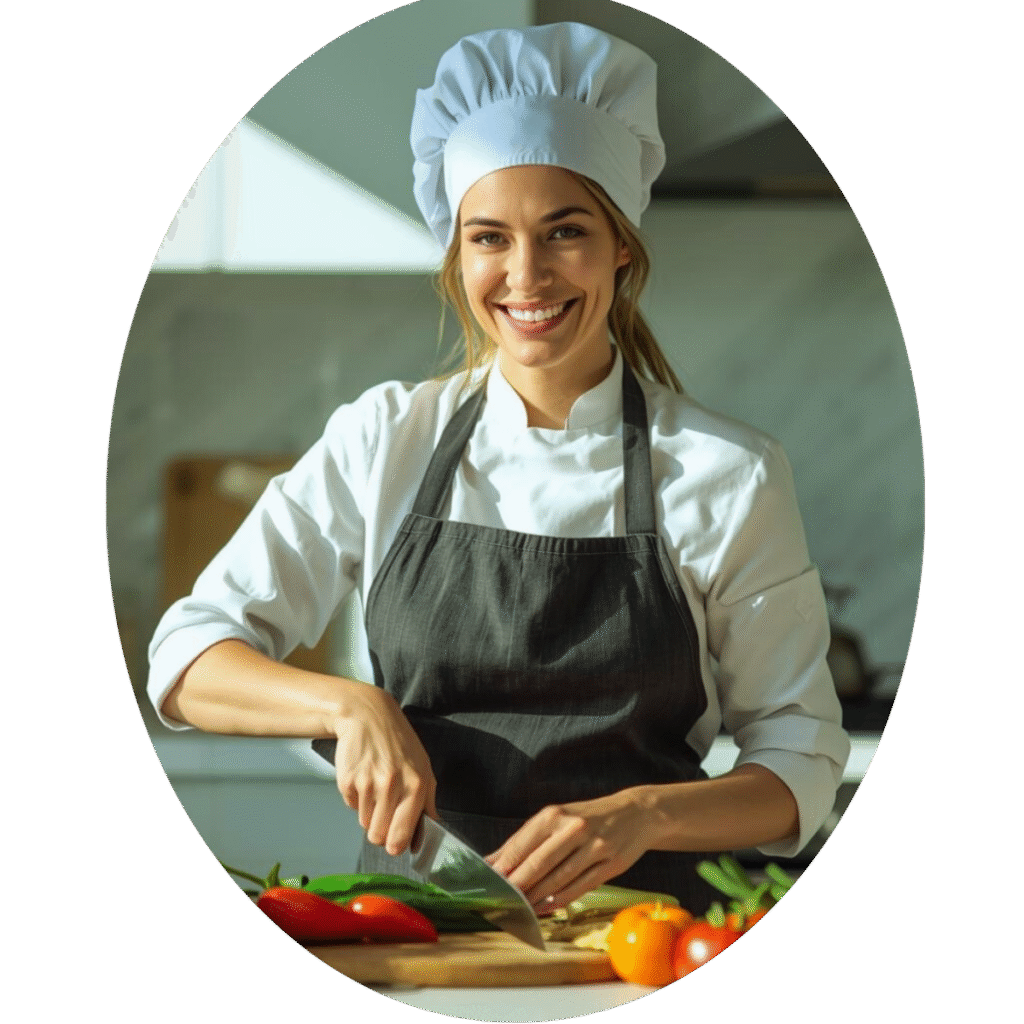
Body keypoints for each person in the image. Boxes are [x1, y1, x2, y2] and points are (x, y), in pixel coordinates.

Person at [148, 23, 850, 915]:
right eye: (489, 238)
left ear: (621, 245)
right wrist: (351, 709)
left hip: (645, 947)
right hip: (421, 937)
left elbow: (802, 761)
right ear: (457, 255)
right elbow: (186, 655)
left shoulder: (726, 472)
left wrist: (641, 815)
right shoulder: (384, 439)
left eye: (565, 232)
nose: (526, 275)